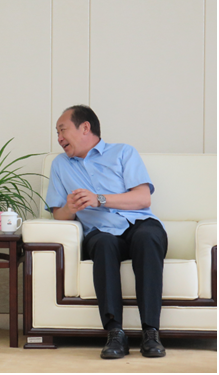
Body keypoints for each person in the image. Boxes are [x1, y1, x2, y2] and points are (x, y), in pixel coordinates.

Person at [46, 105, 167, 359]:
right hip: (100, 231)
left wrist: (99, 199)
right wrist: (70, 208)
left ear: (85, 127)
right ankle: (115, 334)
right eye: (57, 132)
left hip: (139, 224)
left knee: (147, 237)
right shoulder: (60, 165)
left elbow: (143, 198)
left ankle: (151, 332)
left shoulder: (123, 152)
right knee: (103, 245)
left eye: (62, 130)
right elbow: (58, 214)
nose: (59, 138)